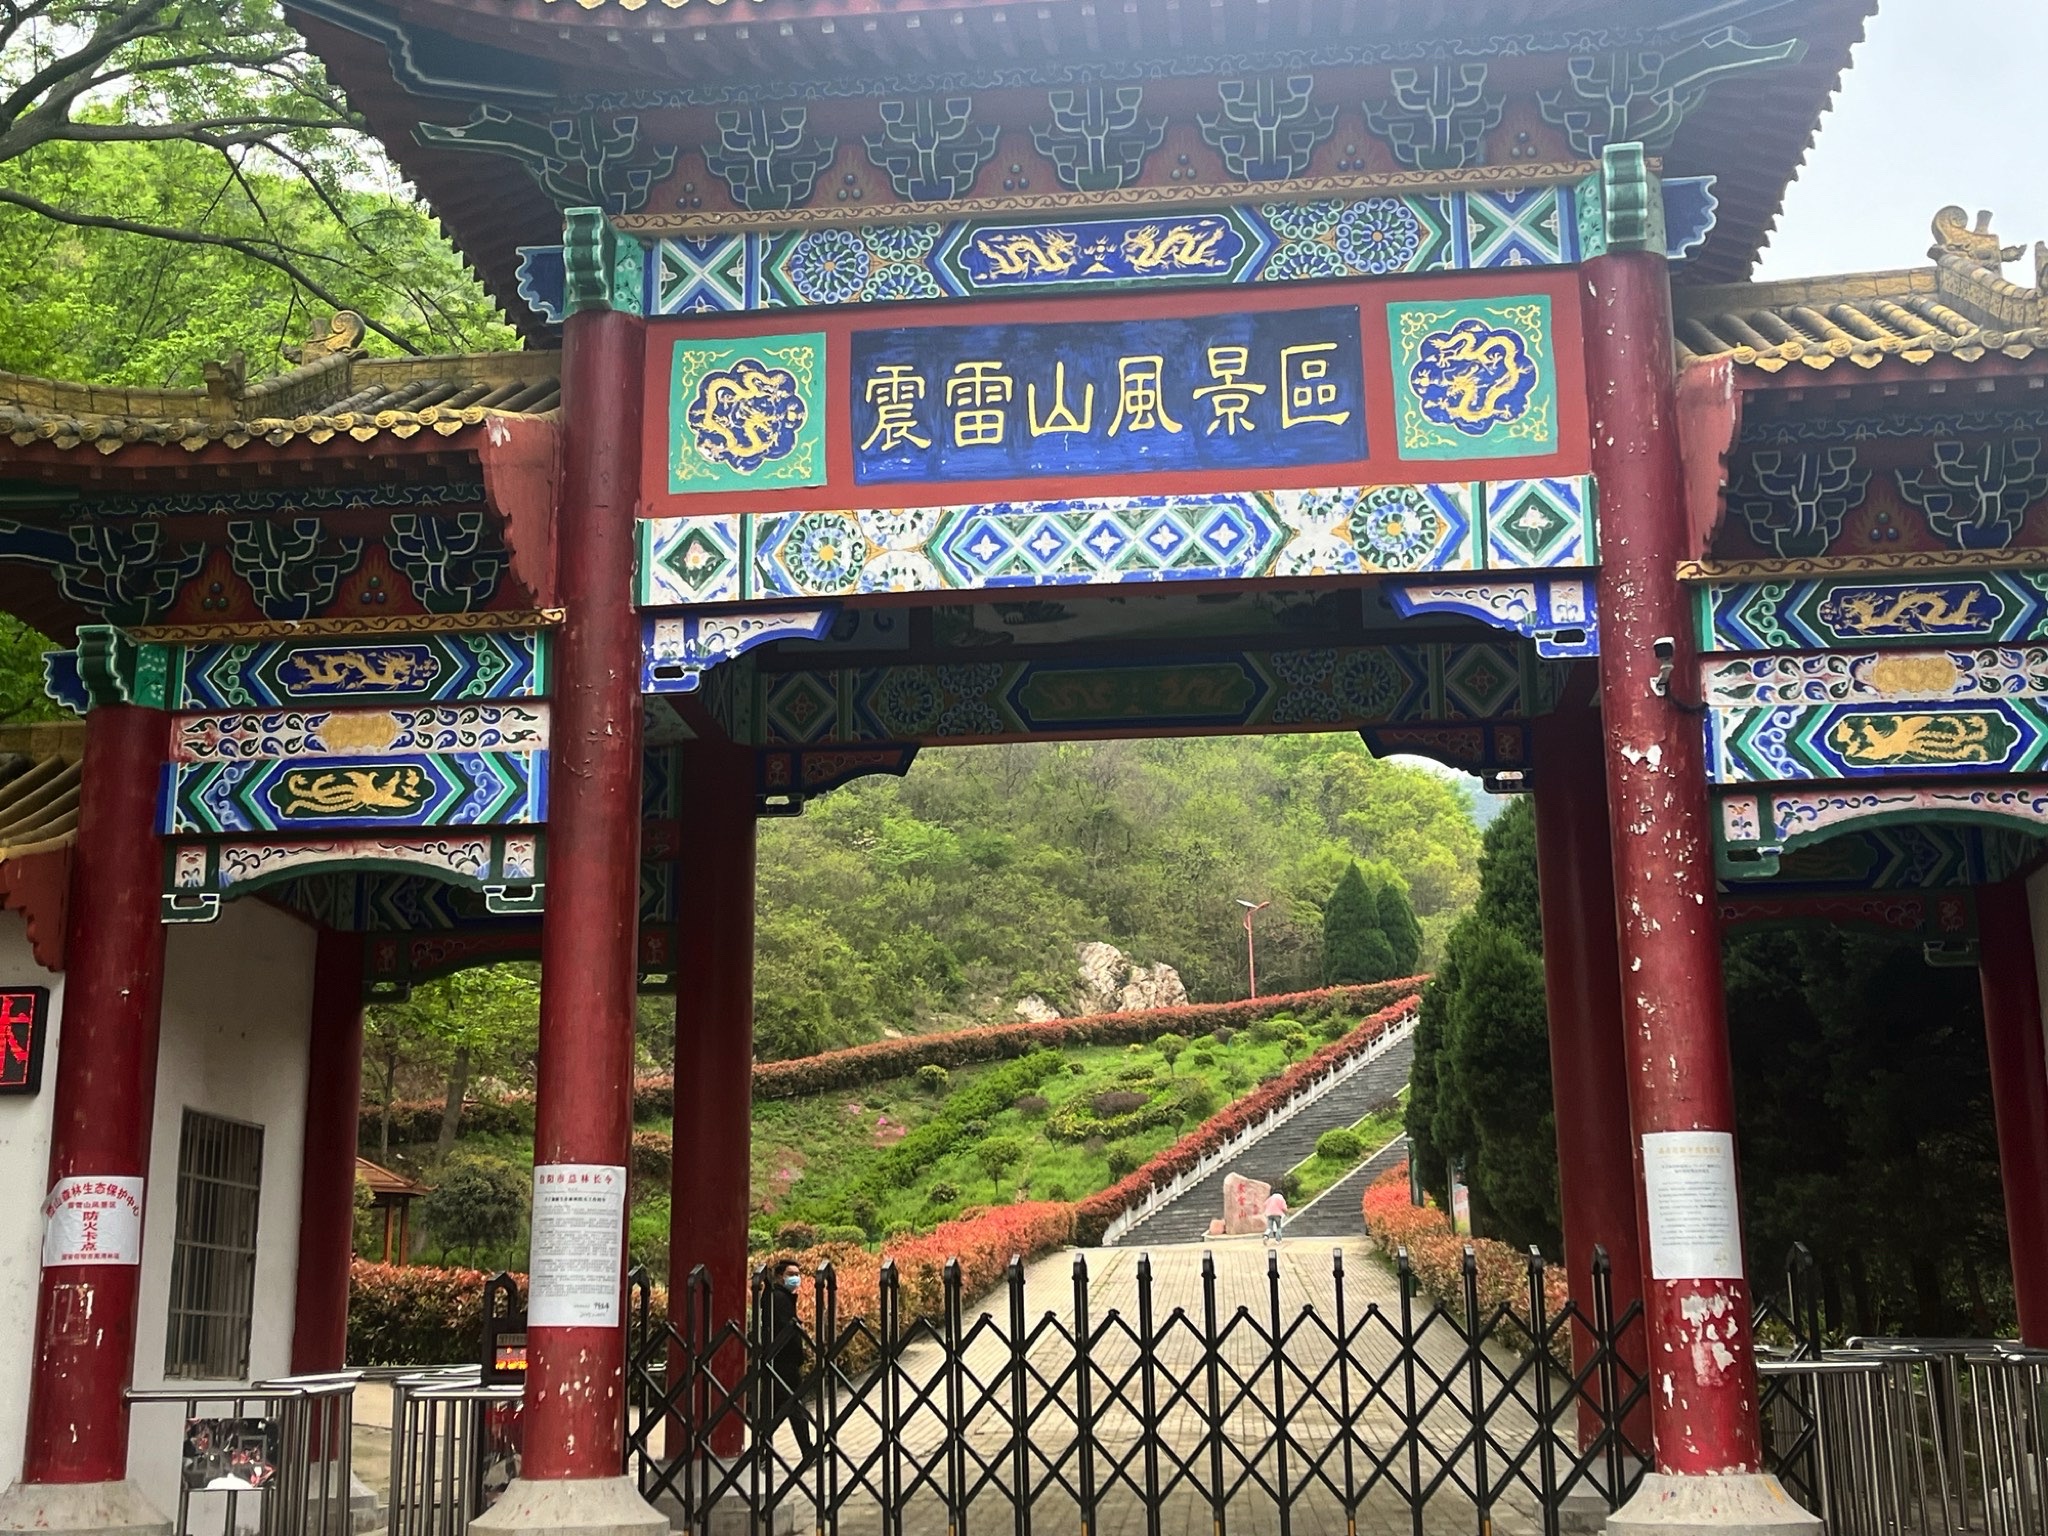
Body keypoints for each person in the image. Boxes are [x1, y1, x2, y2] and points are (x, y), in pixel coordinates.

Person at [762, 1259, 814, 1461]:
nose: (796, 1278)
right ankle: (806, 1451)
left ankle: (765, 1453)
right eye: (791, 1274)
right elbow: (787, 1329)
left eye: (798, 1274)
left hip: (779, 1361)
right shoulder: (779, 1298)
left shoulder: (778, 1296)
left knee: (781, 1410)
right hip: (783, 1362)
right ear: (779, 1276)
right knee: (794, 1407)